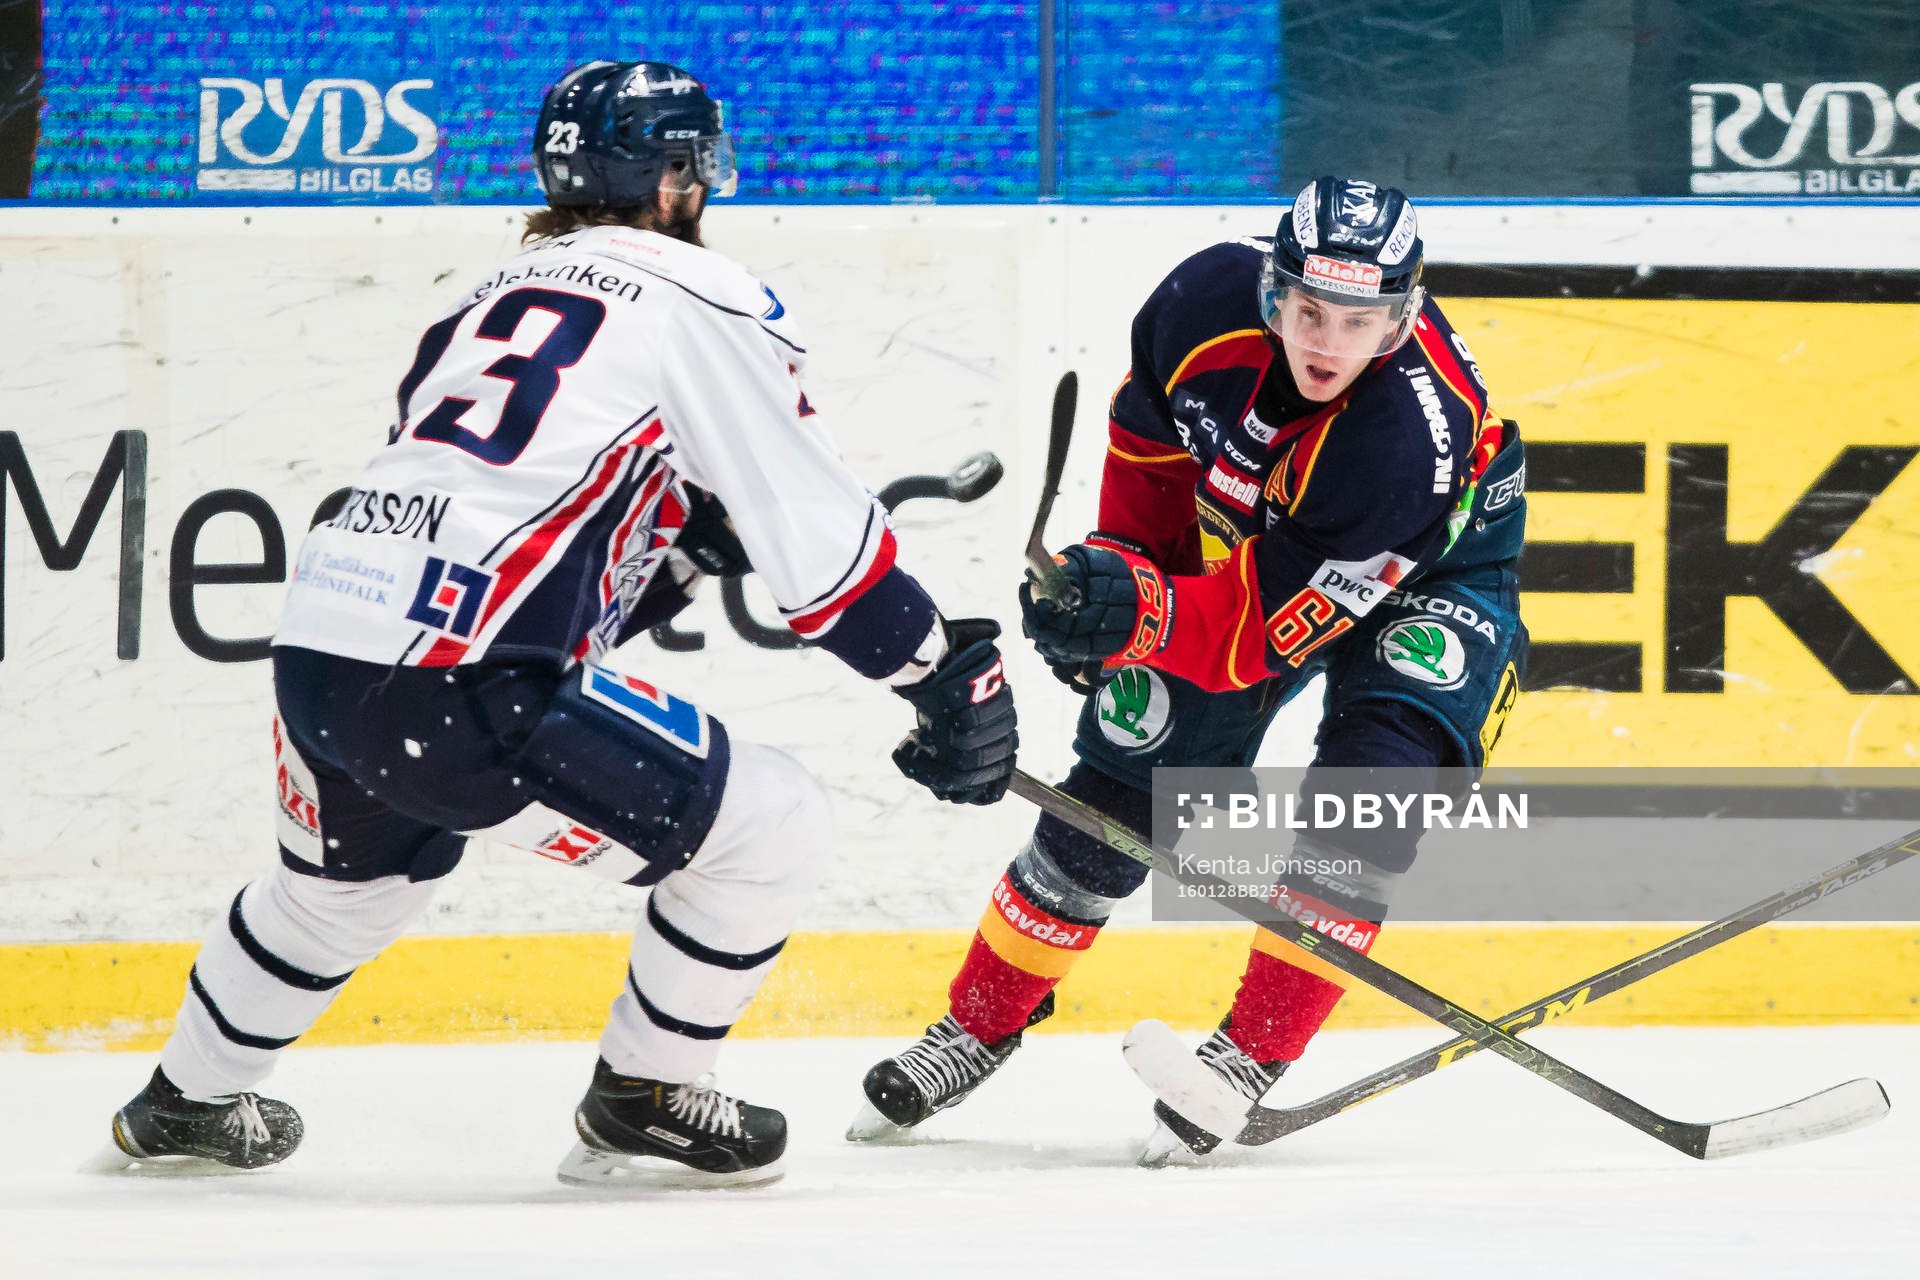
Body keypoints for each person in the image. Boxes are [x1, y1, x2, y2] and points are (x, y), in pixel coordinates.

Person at [95, 59, 1017, 1188]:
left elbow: (509, 536)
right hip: (454, 680)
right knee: (772, 823)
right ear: (678, 178)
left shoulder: (481, 298)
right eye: (697, 165)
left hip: (322, 656)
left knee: (342, 891)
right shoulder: (705, 297)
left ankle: (184, 1098)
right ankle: (647, 1088)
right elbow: (822, 553)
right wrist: (937, 668)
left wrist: (675, 550)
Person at [850, 177, 1526, 1163]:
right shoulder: (1200, 304)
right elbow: (1150, 461)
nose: (1327, 343)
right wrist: (1110, 587)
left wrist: (1150, 619)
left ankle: (1245, 1058)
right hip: (1249, 538)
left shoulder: (1407, 437)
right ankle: (978, 1022)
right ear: (1270, 289)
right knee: (1123, 788)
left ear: (1401, 315)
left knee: (1371, 792)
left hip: (1426, 563)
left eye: (1358, 320)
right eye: (1307, 311)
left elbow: (1255, 628)